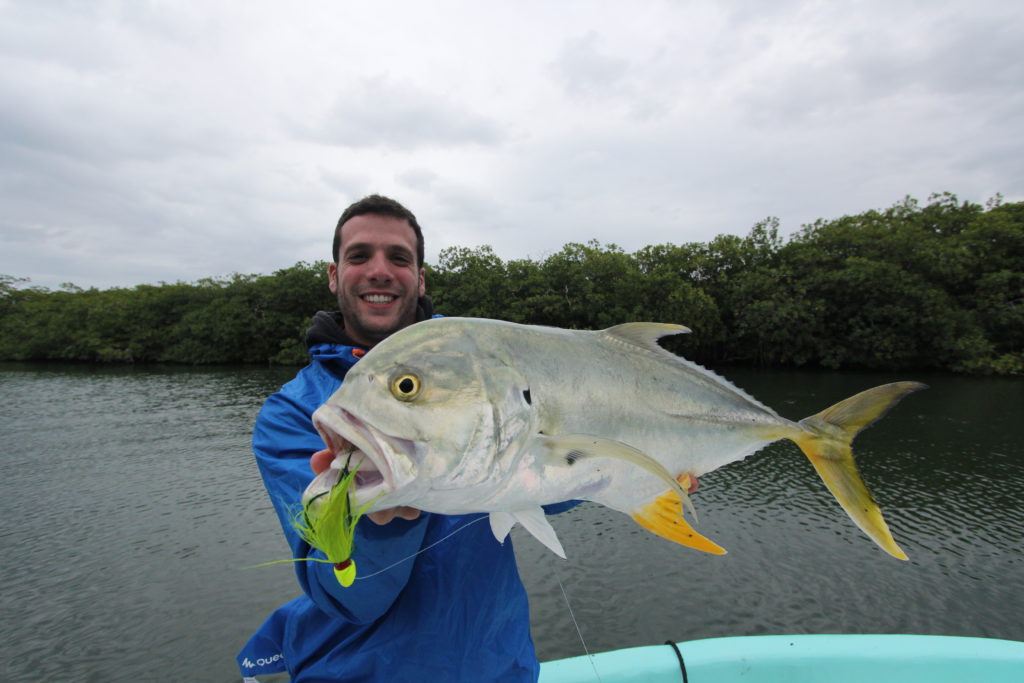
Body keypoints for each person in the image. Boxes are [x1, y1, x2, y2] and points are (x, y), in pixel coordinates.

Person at [237, 195, 573, 682]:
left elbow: (543, 491)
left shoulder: (487, 367)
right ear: (334, 275)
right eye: (359, 256)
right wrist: (381, 528)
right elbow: (349, 596)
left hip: (498, 668)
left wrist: (630, 472)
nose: (380, 271)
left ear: (419, 278)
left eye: (399, 258)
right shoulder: (295, 415)